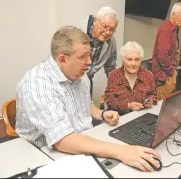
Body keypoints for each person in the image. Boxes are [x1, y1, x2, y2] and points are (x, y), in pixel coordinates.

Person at [15, 26, 161, 172]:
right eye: (82, 57)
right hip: (44, 156)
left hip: (82, 143)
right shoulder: (37, 82)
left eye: (89, 55)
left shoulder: (80, 74)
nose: (90, 62)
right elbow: (63, 140)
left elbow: (86, 104)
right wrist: (121, 151)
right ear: (62, 59)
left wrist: (101, 114)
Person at [76, 6, 119, 99]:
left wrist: (118, 89)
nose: (107, 32)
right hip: (69, 82)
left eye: (111, 29)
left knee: (87, 111)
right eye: (105, 26)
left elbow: (110, 68)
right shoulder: (75, 32)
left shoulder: (111, 42)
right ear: (95, 21)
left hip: (87, 82)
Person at [105, 41, 157, 116]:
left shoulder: (148, 75)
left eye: (137, 59)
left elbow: (153, 95)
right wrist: (128, 105)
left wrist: (150, 101)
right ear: (123, 60)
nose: (133, 64)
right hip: (119, 118)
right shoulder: (114, 75)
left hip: (141, 116)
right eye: (129, 59)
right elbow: (109, 101)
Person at [151, 2, 181, 100]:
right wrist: (171, 71)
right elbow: (162, 56)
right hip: (164, 77)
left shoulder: (173, 29)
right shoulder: (166, 30)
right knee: (162, 108)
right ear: (173, 14)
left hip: (168, 75)